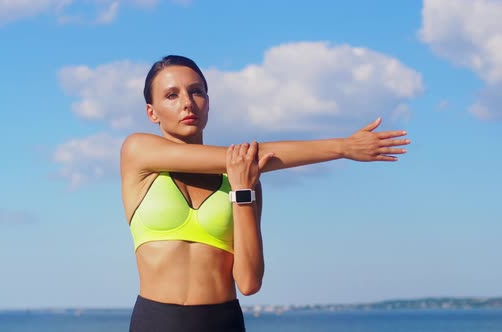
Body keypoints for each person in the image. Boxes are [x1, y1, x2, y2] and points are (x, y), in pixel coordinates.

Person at [120, 55, 410, 331]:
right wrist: (342, 147)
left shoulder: (242, 176)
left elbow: (248, 282)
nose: (187, 103)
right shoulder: (138, 152)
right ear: (151, 112)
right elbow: (259, 154)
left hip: (223, 322)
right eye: (172, 95)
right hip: (155, 322)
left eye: (196, 92)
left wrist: (243, 191)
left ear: (208, 103)